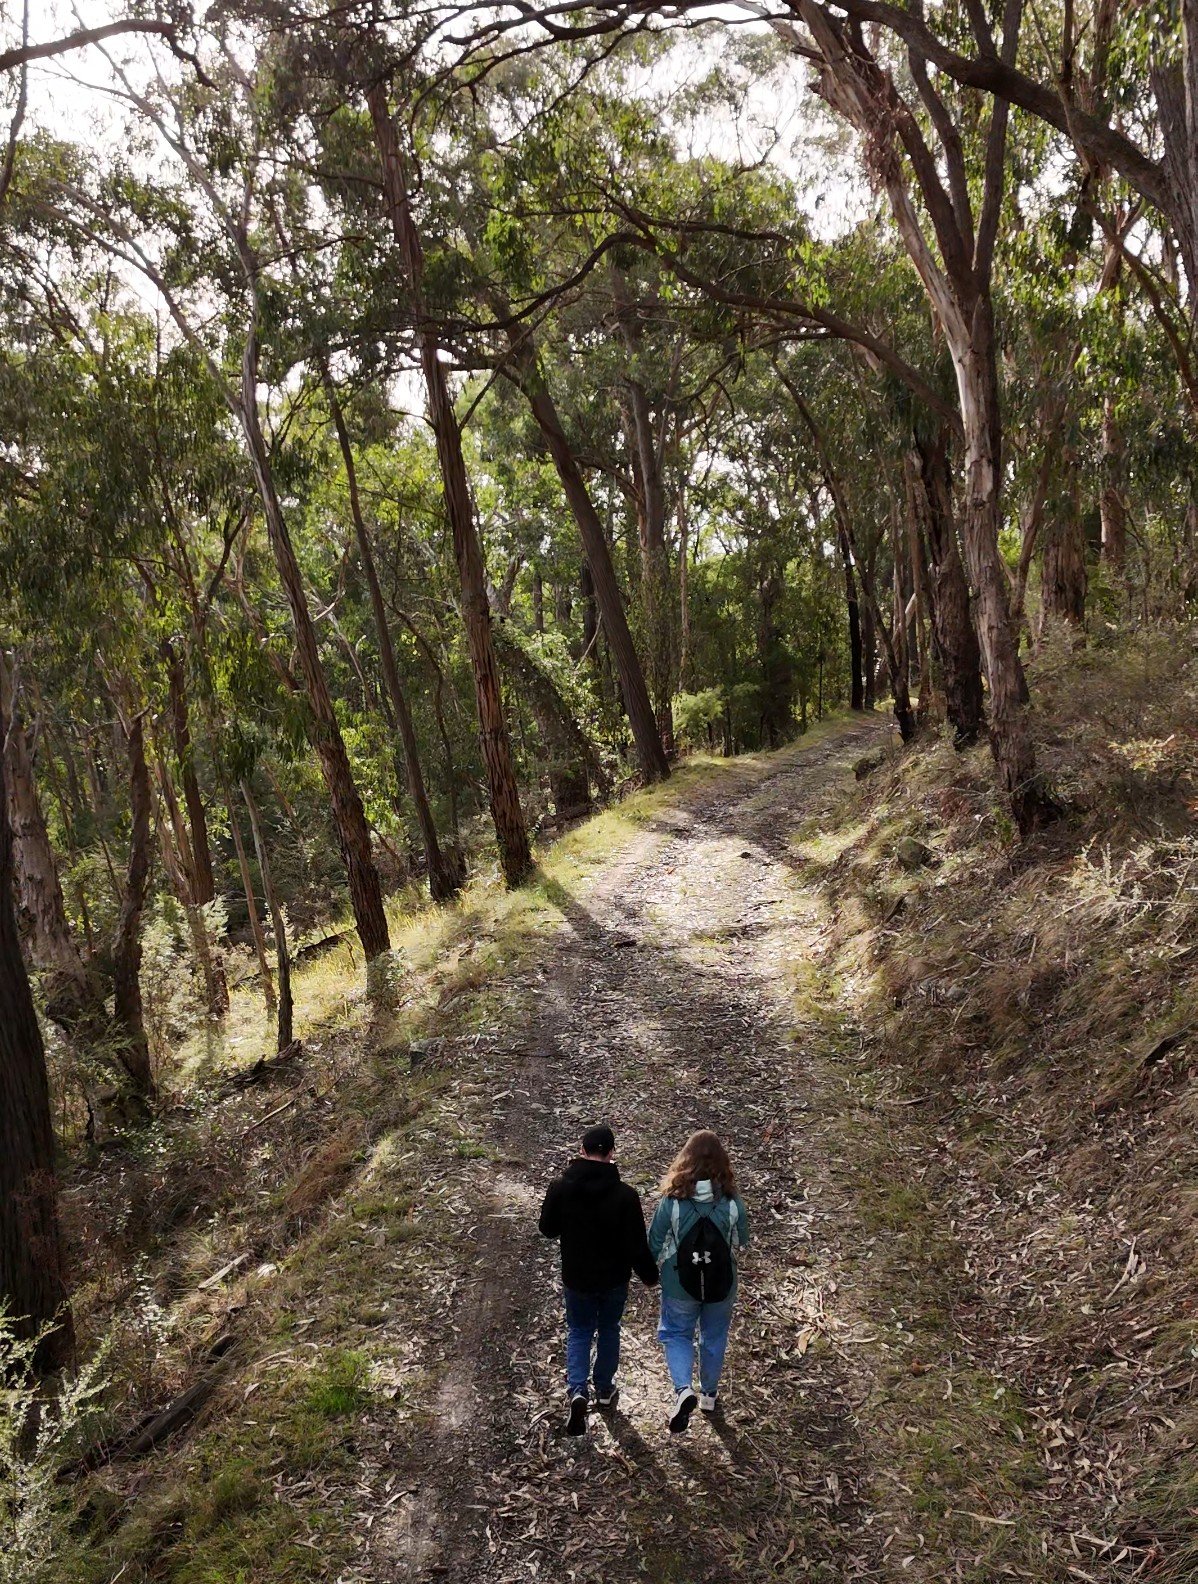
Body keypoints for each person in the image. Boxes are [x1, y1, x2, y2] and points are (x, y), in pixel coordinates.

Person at [538, 1123, 659, 1435]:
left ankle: (577, 1391)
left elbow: (547, 1229)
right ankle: (604, 1390)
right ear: (611, 1153)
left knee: (578, 1331)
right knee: (608, 1330)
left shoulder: (561, 1185)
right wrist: (649, 1275)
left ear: (582, 1151)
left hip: (576, 1277)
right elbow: (637, 1244)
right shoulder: (625, 1195)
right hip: (613, 1279)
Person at [648, 1130, 750, 1433]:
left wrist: (648, 1272)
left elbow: (654, 1241)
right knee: (714, 1336)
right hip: (721, 1283)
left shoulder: (672, 1202)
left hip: (680, 1283)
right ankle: (708, 1394)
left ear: (685, 1160)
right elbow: (742, 1241)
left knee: (677, 1333)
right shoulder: (732, 1202)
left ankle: (683, 1389)